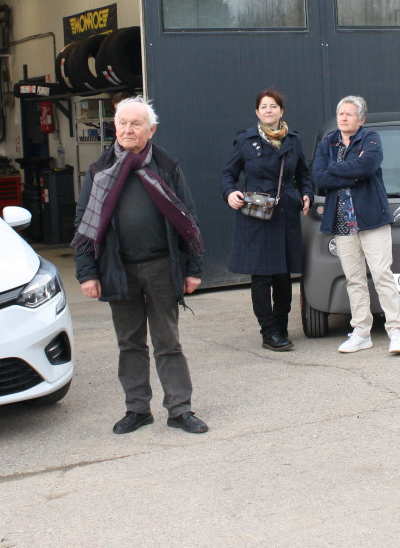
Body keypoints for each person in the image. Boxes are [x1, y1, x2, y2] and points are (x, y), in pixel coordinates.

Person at [73, 96, 209, 435]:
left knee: (168, 342)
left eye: (136, 124)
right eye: (123, 123)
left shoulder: (166, 166)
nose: (129, 129)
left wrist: (193, 269)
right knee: (129, 344)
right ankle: (137, 409)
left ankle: (180, 410)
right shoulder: (99, 170)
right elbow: (83, 223)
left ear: (151, 129)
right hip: (118, 270)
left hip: (162, 267)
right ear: (115, 127)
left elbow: (188, 220)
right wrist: (87, 272)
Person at [312, 95, 400, 355]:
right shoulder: (328, 142)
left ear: (361, 119)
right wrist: (350, 174)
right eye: (340, 114)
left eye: (349, 114)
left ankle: (396, 332)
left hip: (372, 219)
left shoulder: (371, 139)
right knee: (354, 280)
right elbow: (319, 176)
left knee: (382, 276)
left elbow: (367, 167)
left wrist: (338, 169)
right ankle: (361, 333)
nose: (343, 118)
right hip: (342, 222)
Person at [221, 89, 313, 352]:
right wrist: (230, 193)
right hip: (258, 215)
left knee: (283, 276)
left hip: (284, 213)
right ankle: (268, 332)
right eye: (264, 107)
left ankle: (281, 326)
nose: (269, 110)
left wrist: (306, 194)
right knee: (261, 277)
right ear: (257, 112)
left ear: (282, 111)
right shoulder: (245, 141)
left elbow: (304, 175)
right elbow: (228, 175)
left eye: (274, 106)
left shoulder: (293, 140)